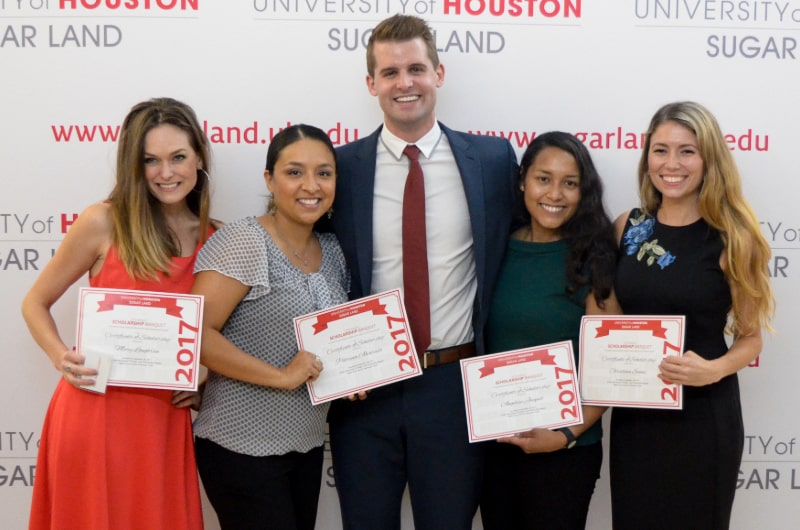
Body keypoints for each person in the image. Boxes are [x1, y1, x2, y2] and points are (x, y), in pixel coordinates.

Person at [325, 14, 518, 530]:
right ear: (371, 84)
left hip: (453, 387)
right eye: (389, 73)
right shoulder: (340, 169)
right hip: (365, 389)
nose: (404, 83)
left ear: (439, 72)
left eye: (416, 68)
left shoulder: (494, 161)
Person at [22, 97, 212, 530]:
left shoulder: (215, 237)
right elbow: (34, 302)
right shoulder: (102, 222)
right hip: (93, 412)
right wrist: (59, 356)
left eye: (178, 157)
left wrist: (204, 378)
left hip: (163, 421)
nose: (167, 173)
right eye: (151, 160)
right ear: (134, 165)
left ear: (198, 155)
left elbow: (217, 336)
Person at [610, 101, 774, 530]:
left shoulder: (734, 238)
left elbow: (752, 337)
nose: (672, 163)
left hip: (703, 418)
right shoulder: (628, 227)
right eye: (660, 149)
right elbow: (606, 318)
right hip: (636, 418)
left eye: (687, 151)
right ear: (647, 157)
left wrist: (713, 369)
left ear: (709, 159)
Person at [190, 124, 349, 530]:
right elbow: (196, 333)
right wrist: (280, 376)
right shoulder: (245, 240)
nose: (310, 185)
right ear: (269, 179)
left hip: (306, 444)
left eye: (324, 173)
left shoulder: (332, 250)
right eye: (294, 172)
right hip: (240, 445)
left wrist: (355, 373)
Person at [479, 131, 621, 530]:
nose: (555, 194)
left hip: (566, 450)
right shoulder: (495, 249)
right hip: (497, 446)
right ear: (523, 179)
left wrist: (565, 435)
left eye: (570, 183)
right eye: (544, 178)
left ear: (584, 191)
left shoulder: (595, 258)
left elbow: (608, 370)